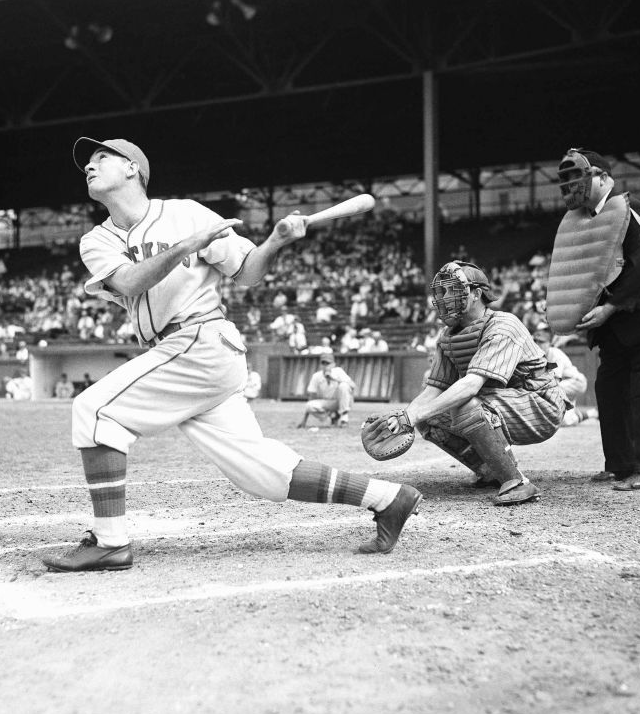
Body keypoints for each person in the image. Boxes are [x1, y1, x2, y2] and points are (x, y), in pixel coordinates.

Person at [41, 136, 422, 572]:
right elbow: (129, 282)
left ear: (133, 169)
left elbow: (247, 272)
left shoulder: (186, 214)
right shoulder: (96, 240)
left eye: (101, 157)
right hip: (179, 351)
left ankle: (110, 542)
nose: (89, 166)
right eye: (86, 163)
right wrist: (186, 246)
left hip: (201, 340)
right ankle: (389, 498)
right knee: (260, 473)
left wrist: (276, 242)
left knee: (95, 410)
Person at [546, 149, 640, 491]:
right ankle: (620, 464)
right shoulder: (585, 219)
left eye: (580, 176)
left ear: (604, 178)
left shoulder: (630, 209)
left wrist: (612, 306)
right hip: (617, 327)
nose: (571, 185)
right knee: (609, 389)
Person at [403, 261, 567, 506]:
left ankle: (517, 481)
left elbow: (470, 385)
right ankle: (491, 470)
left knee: (466, 405)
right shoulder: (448, 336)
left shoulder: (503, 324)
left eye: (452, 290)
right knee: (430, 417)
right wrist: (404, 417)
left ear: (476, 293)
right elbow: (433, 390)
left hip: (540, 403)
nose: (443, 297)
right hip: (504, 401)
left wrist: (413, 416)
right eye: (441, 292)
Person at [532, 321, 589, 426]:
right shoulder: (538, 357)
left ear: (549, 343)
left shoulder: (554, 354)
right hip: (564, 384)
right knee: (564, 421)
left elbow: (554, 382)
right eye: (535, 341)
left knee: (550, 390)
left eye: (541, 342)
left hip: (576, 382)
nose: (537, 344)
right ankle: (588, 414)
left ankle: (575, 413)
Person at [296, 353, 356, 428]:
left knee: (343, 385)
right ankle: (332, 417)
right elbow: (311, 397)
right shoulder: (316, 376)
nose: (325, 365)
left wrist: (334, 379)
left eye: (328, 363)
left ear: (333, 364)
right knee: (309, 405)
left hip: (342, 401)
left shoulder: (339, 371)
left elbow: (353, 386)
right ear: (320, 365)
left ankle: (344, 418)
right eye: (323, 363)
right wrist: (304, 420)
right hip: (328, 403)